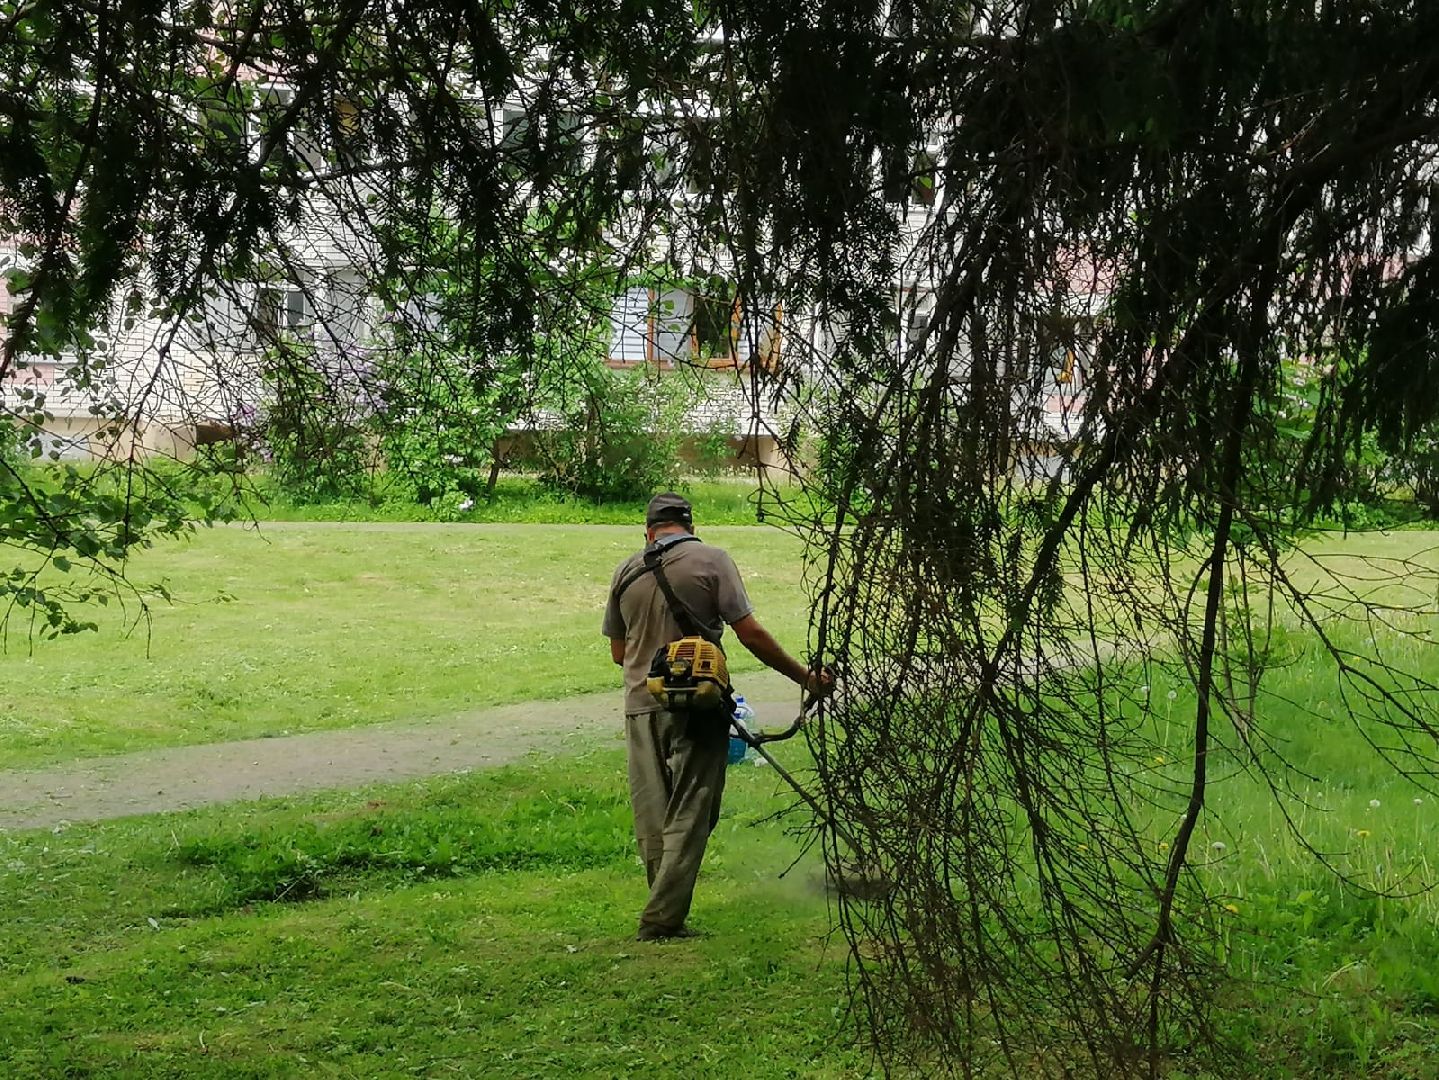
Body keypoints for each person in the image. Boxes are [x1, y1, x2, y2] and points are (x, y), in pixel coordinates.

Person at [602, 492, 832, 942]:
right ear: (689, 525)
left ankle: (662, 907)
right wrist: (805, 678)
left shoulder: (626, 571)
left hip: (641, 703)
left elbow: (617, 652)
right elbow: (750, 633)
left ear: (648, 531)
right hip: (700, 704)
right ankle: (661, 919)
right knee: (693, 807)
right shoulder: (712, 560)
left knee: (653, 811)